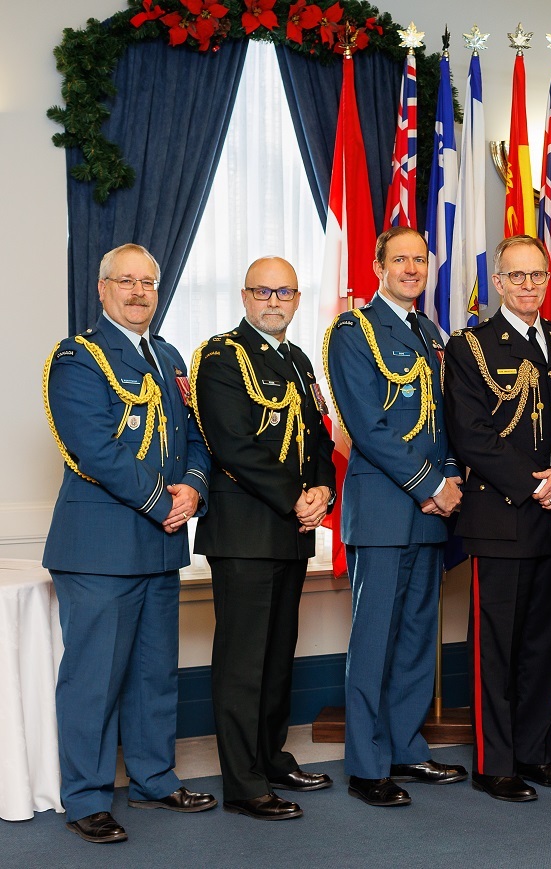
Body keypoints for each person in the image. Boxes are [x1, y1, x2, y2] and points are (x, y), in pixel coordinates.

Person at [42, 243, 216, 843]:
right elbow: (95, 448)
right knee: (95, 680)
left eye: (149, 282)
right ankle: (87, 798)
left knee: (153, 675)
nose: (140, 292)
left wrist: (192, 488)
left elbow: (195, 437)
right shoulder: (79, 358)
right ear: (102, 288)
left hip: (159, 542)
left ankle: (154, 781)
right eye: (127, 281)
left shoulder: (167, 356)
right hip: (100, 546)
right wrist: (161, 502)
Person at [323, 226, 466, 808]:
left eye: (419, 260)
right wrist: (430, 484)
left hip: (432, 514)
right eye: (400, 259)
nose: (411, 268)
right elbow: (366, 425)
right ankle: (366, 764)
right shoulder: (353, 332)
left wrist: (451, 478)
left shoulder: (431, 333)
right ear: (378, 265)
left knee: (415, 640)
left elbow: (447, 421)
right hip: (385, 509)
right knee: (374, 638)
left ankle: (407, 747)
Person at [191, 257, 336, 820]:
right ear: (245, 296)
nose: (274, 301)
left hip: (291, 530)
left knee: (278, 656)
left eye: (285, 292)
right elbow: (232, 445)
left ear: (297, 300)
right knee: (243, 660)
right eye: (263, 291)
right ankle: (244, 783)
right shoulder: (221, 357)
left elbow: (318, 436)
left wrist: (322, 486)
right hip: (246, 530)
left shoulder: (298, 361)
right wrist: (295, 496)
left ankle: (272, 756)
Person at [444, 236, 551, 802]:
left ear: (549, 282)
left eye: (538, 276)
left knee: (543, 644)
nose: (528, 286)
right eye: (516, 276)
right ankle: (494, 761)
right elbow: (470, 434)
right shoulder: (469, 346)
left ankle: (534, 753)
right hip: (502, 518)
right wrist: (538, 484)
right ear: (497, 283)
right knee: (496, 647)